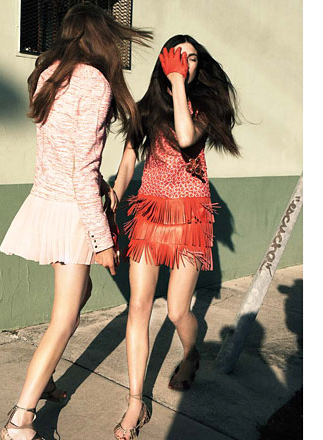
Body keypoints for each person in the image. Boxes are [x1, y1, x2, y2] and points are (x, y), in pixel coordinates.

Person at [0, 4, 152, 439]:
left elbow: (64, 155)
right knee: (64, 319)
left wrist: (100, 186)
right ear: (99, 37)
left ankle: (44, 379)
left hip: (48, 202)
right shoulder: (93, 83)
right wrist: (103, 240)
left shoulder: (48, 75)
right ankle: (20, 421)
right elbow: (81, 169)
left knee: (80, 292)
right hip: (71, 212)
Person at [110, 35, 240, 439]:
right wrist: (114, 196)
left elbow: (185, 137)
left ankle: (190, 353)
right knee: (138, 306)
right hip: (149, 213)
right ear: (164, 62)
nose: (186, 63)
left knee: (177, 311)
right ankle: (135, 402)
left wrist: (179, 81)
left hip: (189, 218)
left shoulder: (203, 107)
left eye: (193, 58)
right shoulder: (146, 110)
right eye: (178, 57)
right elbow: (129, 161)